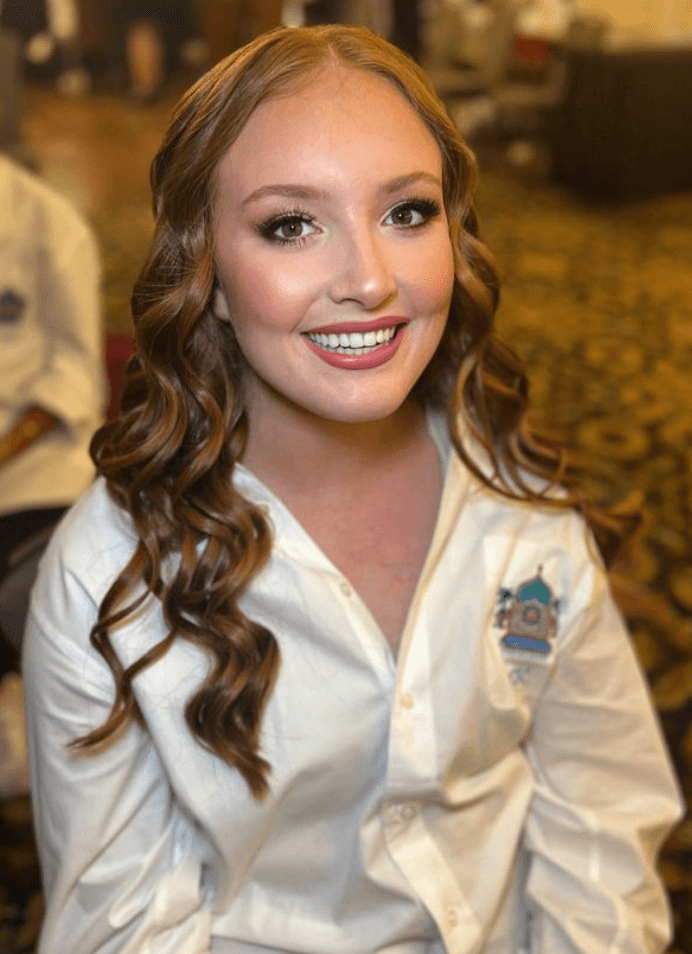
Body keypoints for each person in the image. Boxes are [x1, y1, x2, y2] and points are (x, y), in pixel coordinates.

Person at [23, 24, 682, 954]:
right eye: (291, 224)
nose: (371, 279)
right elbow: (124, 931)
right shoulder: (108, 581)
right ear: (204, 271)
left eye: (407, 213)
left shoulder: (516, 493)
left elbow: (602, 816)